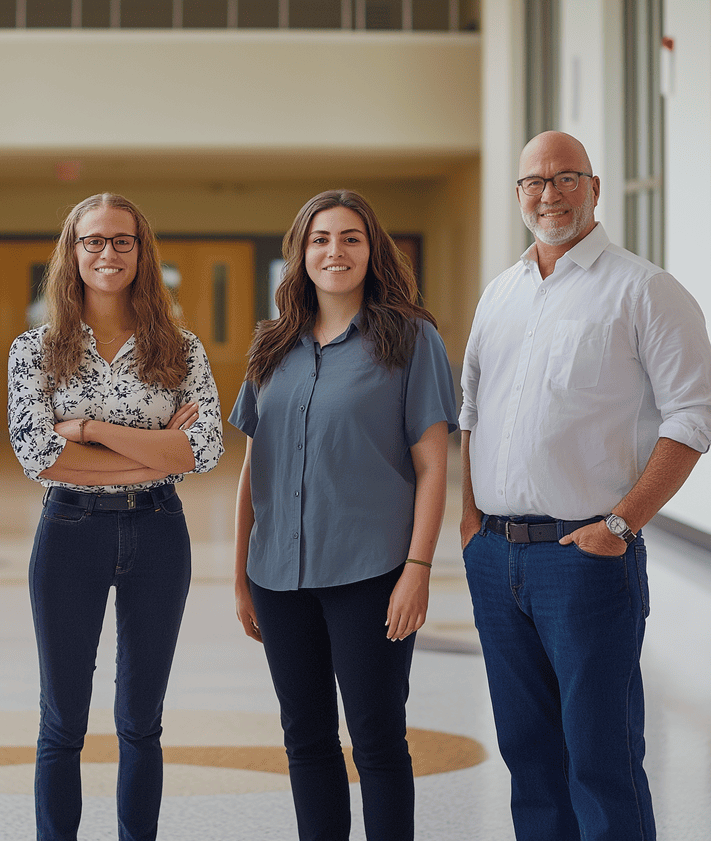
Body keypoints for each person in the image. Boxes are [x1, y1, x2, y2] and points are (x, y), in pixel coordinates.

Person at [459, 131, 711, 841]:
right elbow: (470, 413)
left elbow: (697, 414)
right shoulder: (500, 294)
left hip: (585, 557)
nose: (549, 194)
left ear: (595, 187)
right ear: (518, 195)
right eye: (534, 182)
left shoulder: (644, 289)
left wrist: (620, 524)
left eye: (565, 177)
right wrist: (468, 528)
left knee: (600, 759)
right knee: (529, 757)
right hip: (495, 557)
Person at [228, 189, 456, 841]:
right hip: (279, 578)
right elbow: (254, 465)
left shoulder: (411, 338)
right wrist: (242, 575)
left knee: (378, 738)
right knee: (305, 739)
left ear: (371, 249)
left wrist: (417, 569)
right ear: (300, 253)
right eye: (321, 238)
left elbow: (433, 465)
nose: (335, 250)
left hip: (372, 572)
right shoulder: (271, 345)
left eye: (350, 237)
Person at [7, 193, 223, 841]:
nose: (107, 252)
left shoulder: (179, 349)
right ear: (72, 251)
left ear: (141, 251)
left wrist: (92, 430)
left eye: (121, 240)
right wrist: (156, 452)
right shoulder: (35, 350)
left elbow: (204, 446)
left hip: (159, 531)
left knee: (140, 720)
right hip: (68, 532)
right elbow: (39, 453)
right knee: (62, 720)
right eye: (92, 240)